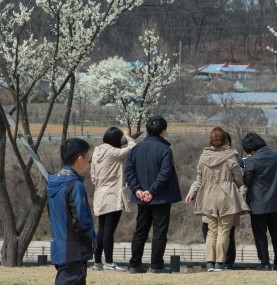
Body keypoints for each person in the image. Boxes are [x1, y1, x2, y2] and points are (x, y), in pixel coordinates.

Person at [21, 138, 111, 285]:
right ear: (80, 159)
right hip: (73, 248)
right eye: (87, 159)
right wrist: (92, 239)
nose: (88, 163)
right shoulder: (75, 185)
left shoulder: (54, 183)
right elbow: (81, 220)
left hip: (60, 246)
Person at [186, 127, 249, 272]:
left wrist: (191, 193)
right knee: (224, 231)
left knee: (211, 231)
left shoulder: (204, 157)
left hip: (208, 197)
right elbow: (239, 180)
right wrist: (242, 191)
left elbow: (199, 179)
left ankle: (210, 263)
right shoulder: (230, 157)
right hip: (227, 197)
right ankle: (220, 263)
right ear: (225, 140)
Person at [124, 116, 182, 274]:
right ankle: (156, 265)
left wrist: (137, 190)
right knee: (159, 232)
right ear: (163, 131)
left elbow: (129, 171)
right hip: (160, 197)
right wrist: (152, 191)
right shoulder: (165, 150)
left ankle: (135, 264)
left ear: (148, 130)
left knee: (140, 231)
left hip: (142, 197)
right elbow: (165, 173)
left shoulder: (136, 149)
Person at [90, 127, 136, 271]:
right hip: (112, 195)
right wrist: (128, 137)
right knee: (109, 230)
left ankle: (97, 261)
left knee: (102, 230)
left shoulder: (97, 152)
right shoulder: (113, 152)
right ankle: (109, 261)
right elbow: (132, 148)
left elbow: (92, 176)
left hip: (99, 194)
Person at [242, 132, 277, 271]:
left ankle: (264, 263)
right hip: (276, 201)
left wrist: (246, 163)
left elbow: (247, 181)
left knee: (260, 234)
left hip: (258, 203)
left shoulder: (251, 160)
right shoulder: (276, 155)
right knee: (276, 233)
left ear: (251, 149)